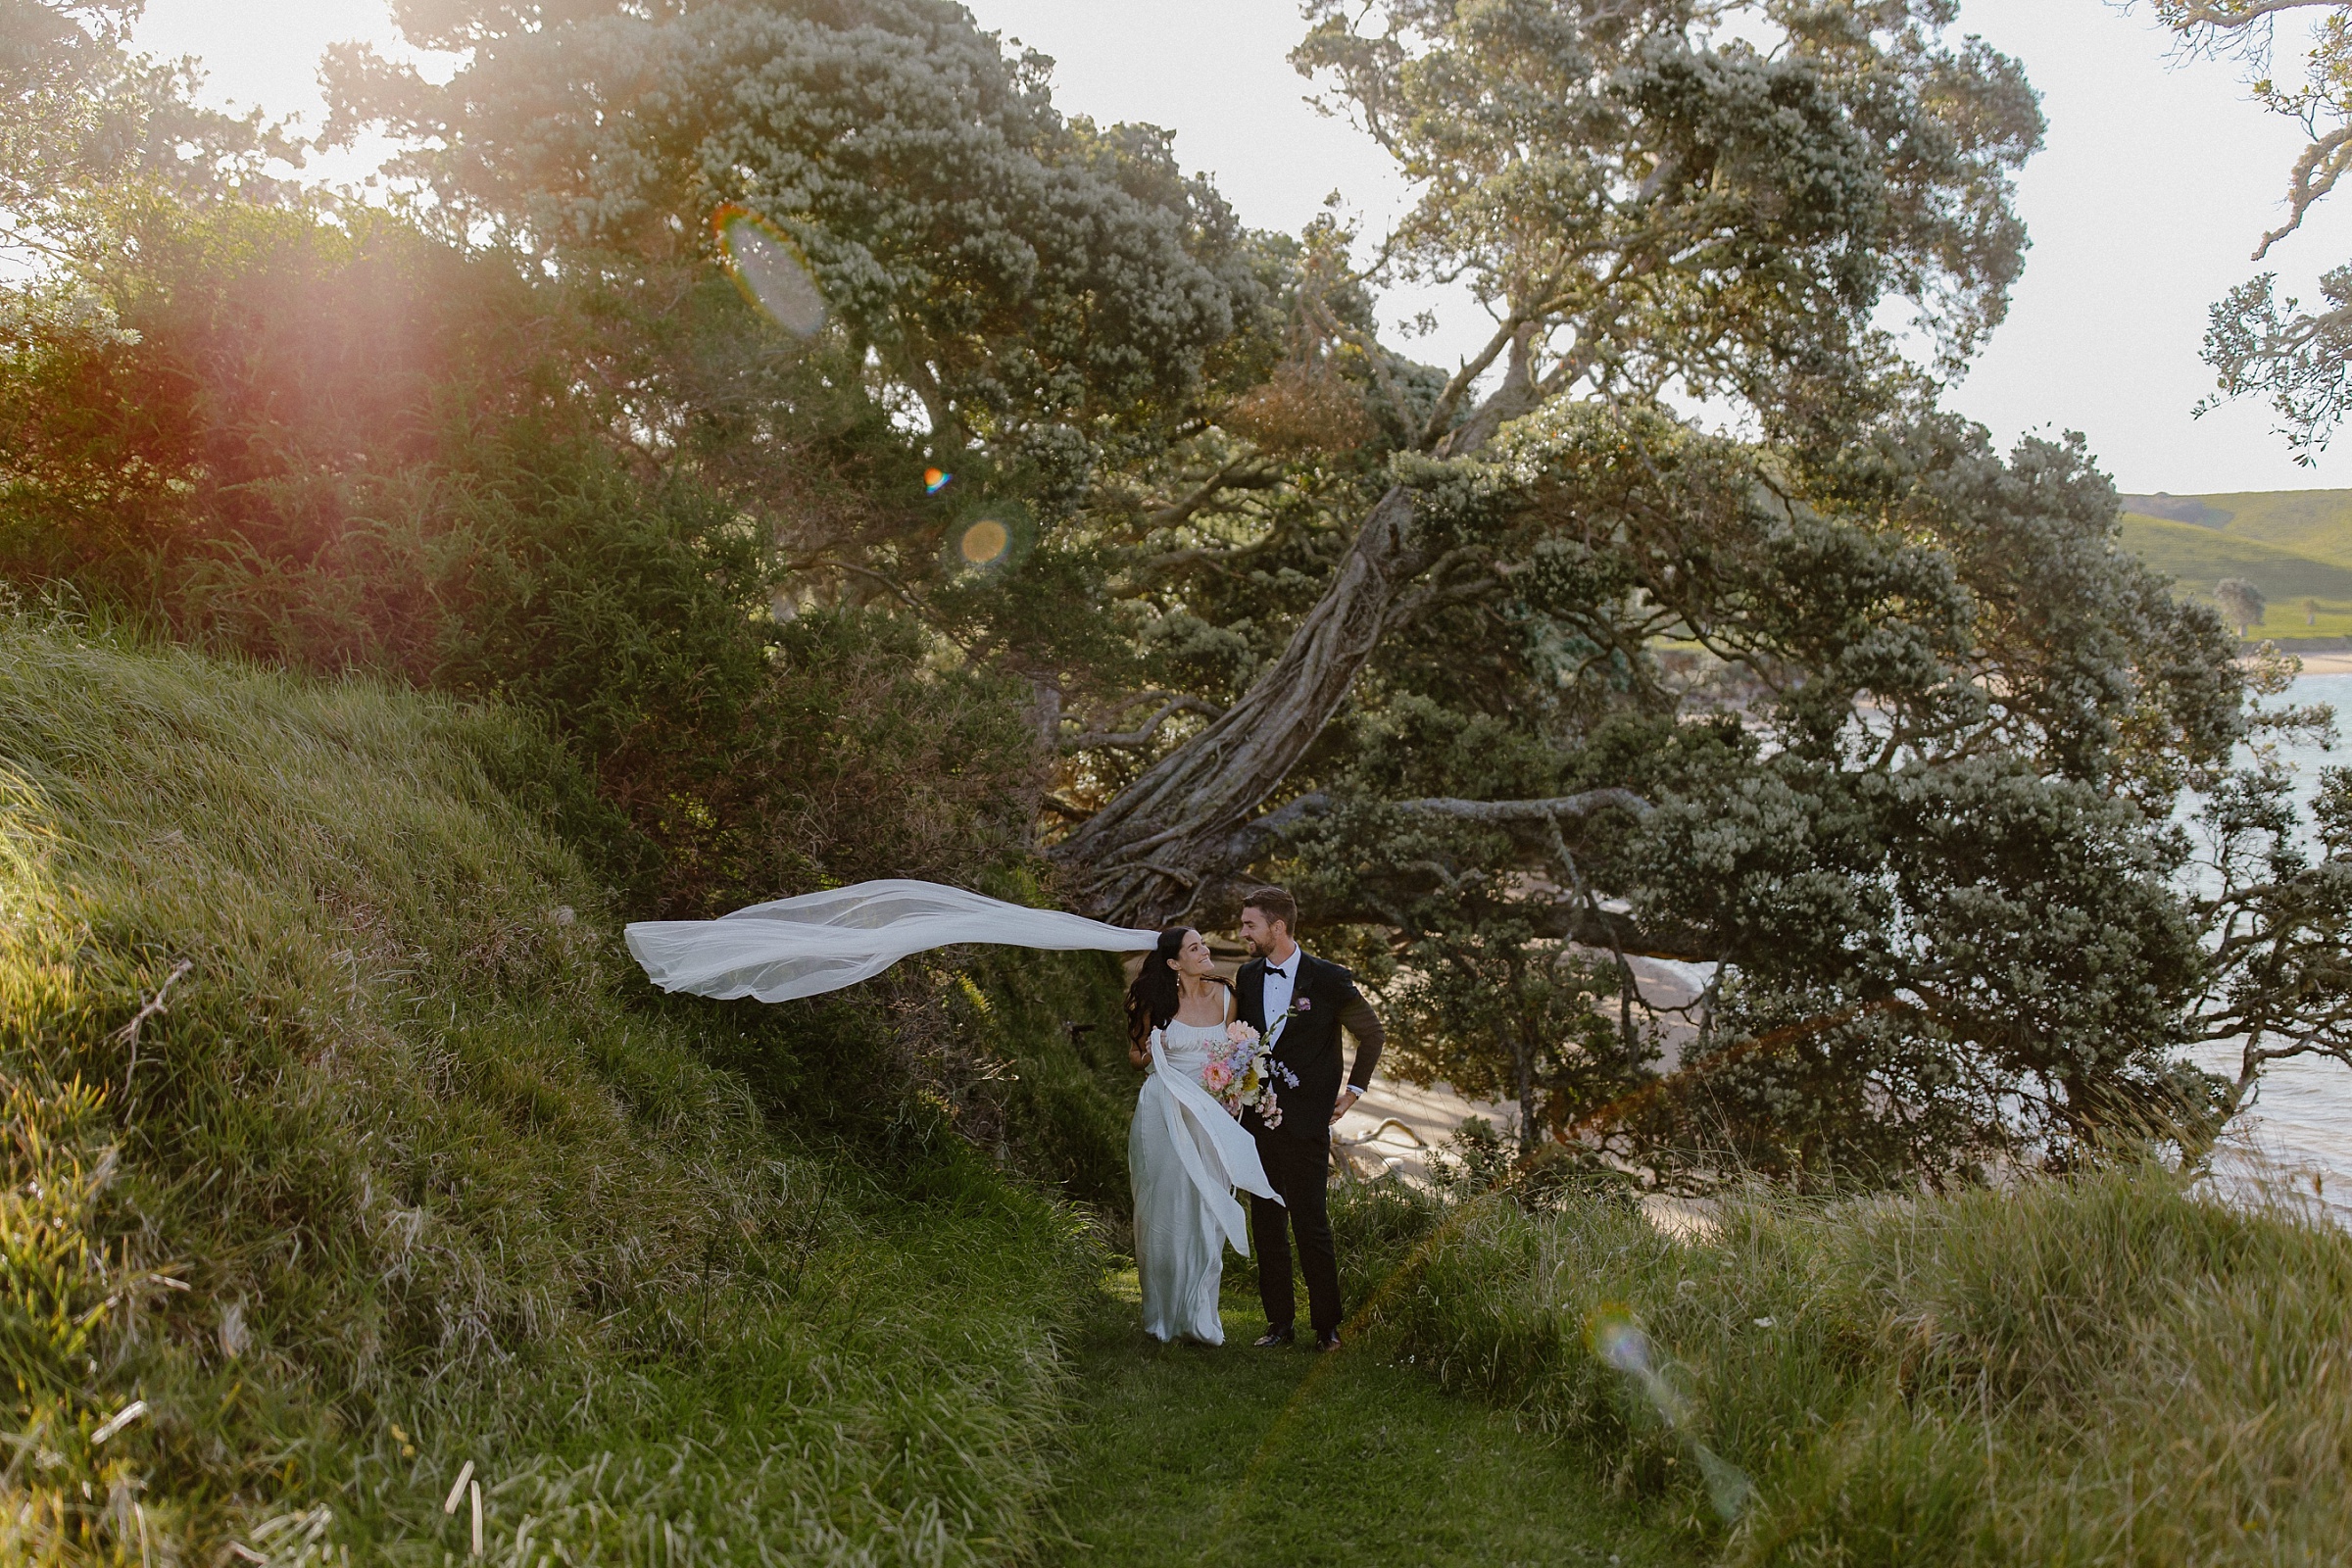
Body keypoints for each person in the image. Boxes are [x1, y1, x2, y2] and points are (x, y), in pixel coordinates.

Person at [1234, 886, 1384, 1351]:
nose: (1242, 933)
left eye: (1249, 925)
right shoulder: (1247, 974)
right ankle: (1278, 1323)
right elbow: (1248, 1042)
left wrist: (1353, 1092)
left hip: (1307, 1123)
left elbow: (1372, 1033)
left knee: (1312, 1224)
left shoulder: (1329, 979)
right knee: (1266, 1222)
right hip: (1258, 1120)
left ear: (1277, 928)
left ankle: (1328, 1326)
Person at [1123, 926, 1282, 1344]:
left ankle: (1200, 1316)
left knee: (1209, 1208)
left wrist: (1237, 1084)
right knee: (1166, 1208)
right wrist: (1152, 1049)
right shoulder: (1155, 1002)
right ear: (1175, 962)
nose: (1204, 950)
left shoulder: (1227, 997)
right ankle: (1161, 1315)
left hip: (1212, 1115)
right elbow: (1136, 1056)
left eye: (1203, 944)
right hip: (1164, 1111)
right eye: (1194, 948)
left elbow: (1236, 1053)